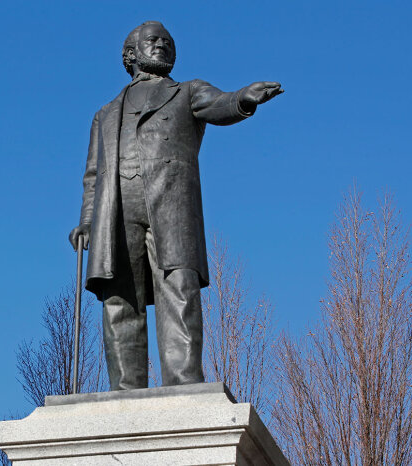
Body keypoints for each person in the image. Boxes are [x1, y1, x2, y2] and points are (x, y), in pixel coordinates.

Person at [69, 21, 282, 390]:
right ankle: (125, 389)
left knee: (179, 289)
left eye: (168, 42)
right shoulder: (105, 114)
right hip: (117, 211)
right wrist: (87, 221)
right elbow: (93, 175)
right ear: (131, 54)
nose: (163, 46)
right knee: (120, 299)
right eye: (154, 41)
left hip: (171, 206)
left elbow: (221, 104)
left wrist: (244, 98)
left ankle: (184, 384)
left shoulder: (187, 92)